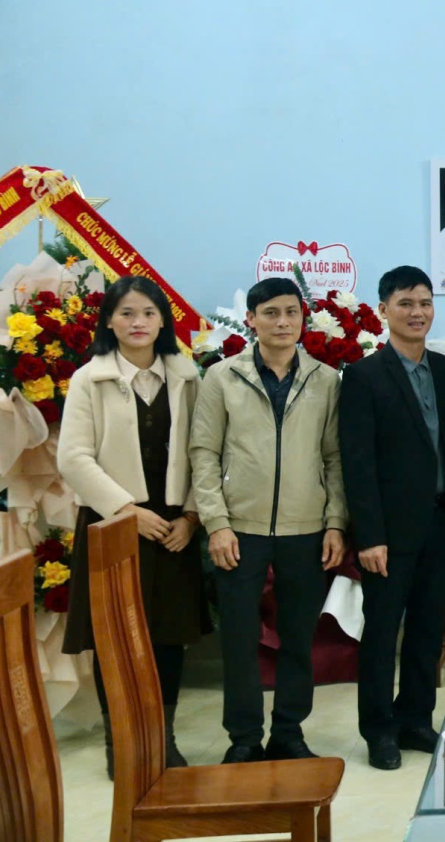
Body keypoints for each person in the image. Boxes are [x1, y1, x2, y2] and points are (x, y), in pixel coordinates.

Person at [190, 276, 347, 763]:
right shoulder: (222, 377)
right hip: (240, 529)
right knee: (239, 639)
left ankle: (289, 733)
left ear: (303, 319)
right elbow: (203, 452)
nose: (283, 322)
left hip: (306, 530)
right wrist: (216, 523)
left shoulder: (325, 380)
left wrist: (335, 522)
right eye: (271, 313)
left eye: (291, 312)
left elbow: (334, 458)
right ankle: (243, 738)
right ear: (252, 320)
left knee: (298, 638)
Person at [58, 277, 209, 778]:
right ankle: (120, 742)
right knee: (114, 639)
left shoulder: (187, 377)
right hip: (111, 524)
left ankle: (163, 739)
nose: (138, 322)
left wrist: (191, 516)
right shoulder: (90, 379)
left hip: (173, 527)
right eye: (126, 313)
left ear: (163, 320)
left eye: (148, 312)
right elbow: (73, 458)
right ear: (109, 321)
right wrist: (126, 511)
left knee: (168, 636)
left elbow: (204, 453)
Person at [339, 266, 445, 770]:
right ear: (383, 310)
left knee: (427, 630)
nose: (417, 313)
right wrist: (368, 535)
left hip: (441, 523)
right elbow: (358, 462)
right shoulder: (364, 376)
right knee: (381, 632)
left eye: (425, 303)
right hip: (388, 534)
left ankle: (415, 719)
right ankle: (379, 729)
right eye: (406, 303)